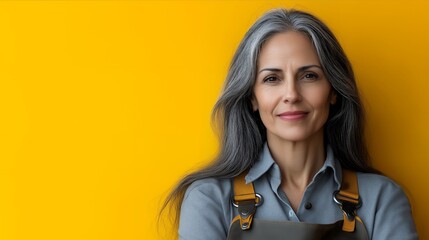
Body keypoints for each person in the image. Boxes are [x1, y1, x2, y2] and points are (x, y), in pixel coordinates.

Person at [161, 8, 418, 239]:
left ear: (333, 90)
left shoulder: (382, 200)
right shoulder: (210, 199)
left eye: (309, 76)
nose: (292, 94)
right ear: (252, 96)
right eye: (272, 78)